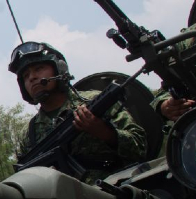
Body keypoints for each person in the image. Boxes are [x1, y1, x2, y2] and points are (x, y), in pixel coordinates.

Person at [10, 42, 147, 183]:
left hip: (113, 193)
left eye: (39, 68)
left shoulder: (94, 101)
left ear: (59, 70)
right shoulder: (28, 132)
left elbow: (141, 147)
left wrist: (105, 132)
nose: (32, 78)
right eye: (26, 76)